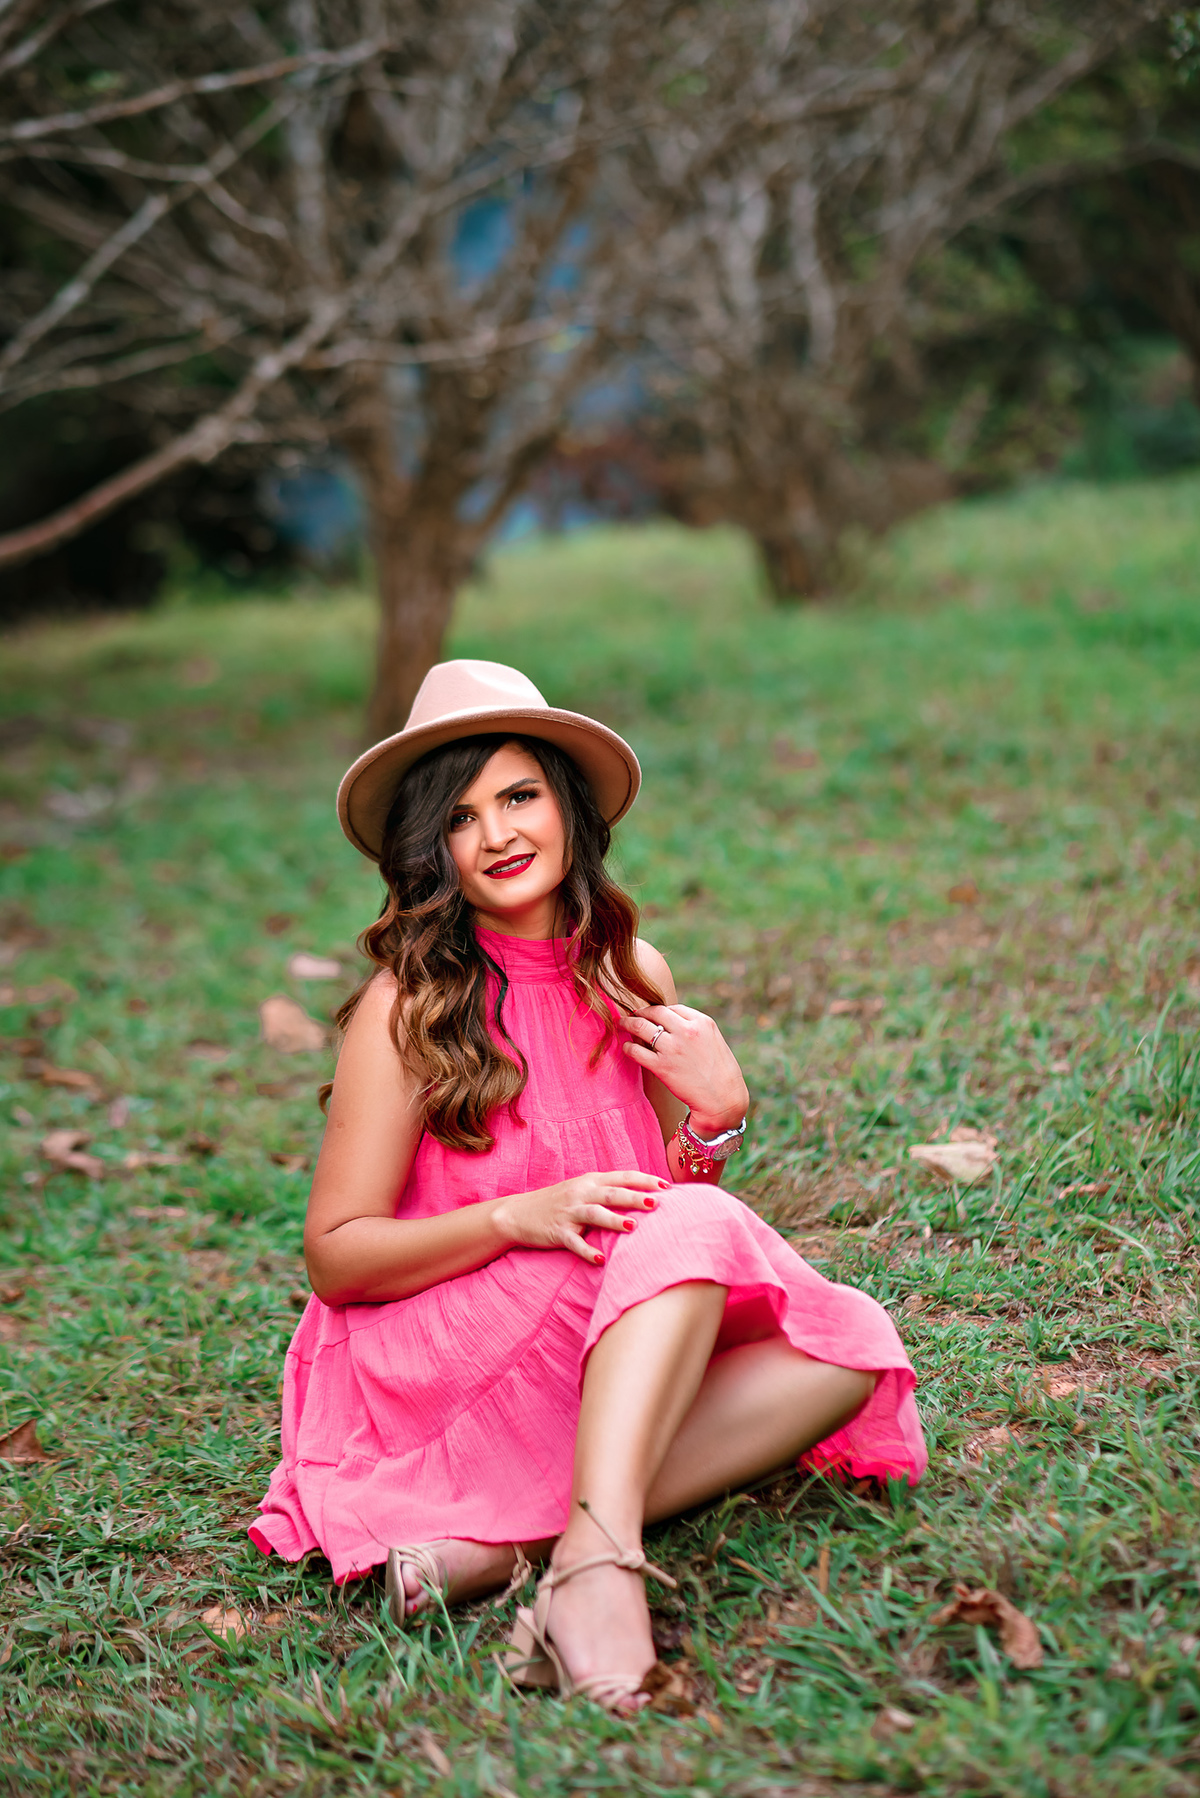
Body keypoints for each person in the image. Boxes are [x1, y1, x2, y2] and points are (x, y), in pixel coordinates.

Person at [251, 659, 926, 1714]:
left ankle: (520, 1548)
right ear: (431, 850)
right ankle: (602, 1577)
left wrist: (714, 1117)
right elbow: (337, 1257)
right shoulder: (409, 1006)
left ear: (567, 806)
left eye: (519, 795)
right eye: (462, 817)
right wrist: (516, 1215)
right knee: (703, 1233)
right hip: (441, 1342)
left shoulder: (631, 973)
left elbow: (661, 1205)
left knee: (844, 1347)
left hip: (587, 1322)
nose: (498, 834)